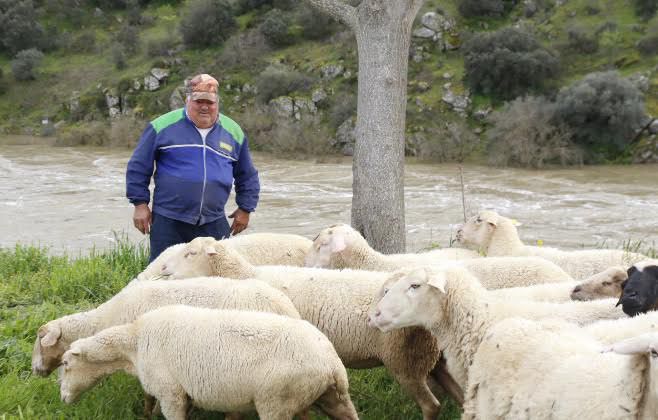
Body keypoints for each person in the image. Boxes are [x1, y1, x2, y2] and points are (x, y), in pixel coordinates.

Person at [126, 73, 260, 262]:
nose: (205, 106)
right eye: (199, 101)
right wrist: (140, 205)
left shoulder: (234, 131)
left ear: (217, 103)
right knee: (164, 275)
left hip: (213, 220)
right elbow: (138, 167)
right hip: (169, 220)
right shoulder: (161, 126)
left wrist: (245, 209)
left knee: (218, 275)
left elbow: (247, 175)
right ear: (188, 100)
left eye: (210, 102)